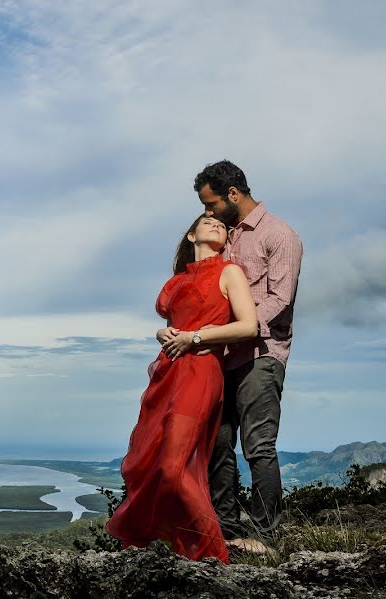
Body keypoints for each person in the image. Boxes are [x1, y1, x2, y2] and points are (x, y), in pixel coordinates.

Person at [106, 214, 258, 563]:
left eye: (221, 222)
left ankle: (214, 557)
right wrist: (165, 333)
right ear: (191, 234)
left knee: (175, 467)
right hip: (168, 372)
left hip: (202, 371)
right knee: (147, 463)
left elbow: (249, 326)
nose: (216, 223)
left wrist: (196, 337)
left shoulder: (229, 271)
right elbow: (172, 324)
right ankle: (161, 549)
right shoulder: (174, 283)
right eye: (207, 221)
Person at [195, 160, 303, 554]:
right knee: (218, 444)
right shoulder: (228, 237)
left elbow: (281, 301)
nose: (208, 212)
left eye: (211, 204)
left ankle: (265, 537)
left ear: (233, 195)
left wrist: (238, 328)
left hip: (261, 354)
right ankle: (224, 528)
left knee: (258, 445)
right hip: (221, 359)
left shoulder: (279, 235)